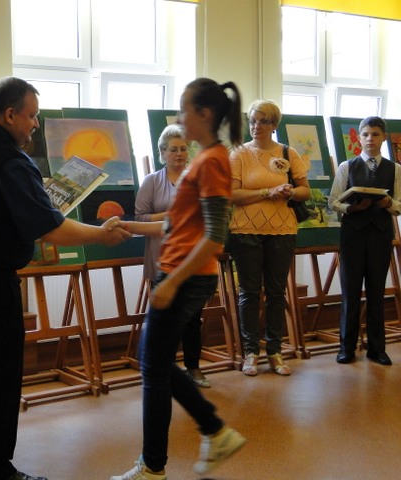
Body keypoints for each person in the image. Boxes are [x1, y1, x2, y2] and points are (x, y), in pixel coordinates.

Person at [0, 76, 130, 480]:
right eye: (32, 116)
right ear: (10, 114)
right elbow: (49, 228)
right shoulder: (8, 158)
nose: (36, 124)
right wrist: (100, 235)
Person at [111, 78, 247, 480]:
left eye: (184, 109)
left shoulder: (213, 161)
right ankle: (212, 431)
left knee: (153, 366)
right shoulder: (204, 161)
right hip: (178, 272)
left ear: (204, 114)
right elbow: (175, 225)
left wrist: (172, 281)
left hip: (184, 276)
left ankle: (156, 464)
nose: (178, 116)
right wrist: (129, 227)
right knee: (154, 363)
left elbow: (215, 236)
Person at [227, 100, 311, 377]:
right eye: (252, 120)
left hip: (282, 231)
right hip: (245, 232)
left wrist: (290, 192)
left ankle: (275, 352)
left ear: (274, 125)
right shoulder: (238, 154)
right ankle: (251, 352)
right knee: (249, 293)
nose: (256, 126)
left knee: (276, 293)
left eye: (263, 121)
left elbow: (305, 191)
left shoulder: (288, 153)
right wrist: (267, 192)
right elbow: (233, 195)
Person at [135, 125, 211, 388]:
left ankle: (194, 368)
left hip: (192, 260)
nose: (179, 154)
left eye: (183, 149)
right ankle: (162, 371)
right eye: (173, 149)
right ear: (162, 153)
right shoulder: (152, 182)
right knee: (163, 320)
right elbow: (140, 218)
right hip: (161, 259)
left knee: (192, 319)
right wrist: (171, 216)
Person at [328, 116, 401, 366]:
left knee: (376, 291)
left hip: (381, 235)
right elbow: (333, 201)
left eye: (376, 134)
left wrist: (388, 202)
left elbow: (399, 205)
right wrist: (352, 208)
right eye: (366, 134)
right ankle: (346, 348)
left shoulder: (395, 169)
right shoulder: (346, 166)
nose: (370, 139)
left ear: (383, 138)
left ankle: (377, 349)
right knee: (350, 291)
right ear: (359, 138)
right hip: (353, 235)